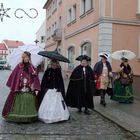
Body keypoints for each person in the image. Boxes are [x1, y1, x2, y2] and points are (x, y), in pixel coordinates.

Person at [2, 51, 41, 123]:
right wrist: (19, 82)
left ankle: (29, 116)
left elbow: (34, 77)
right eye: (26, 57)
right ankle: (18, 116)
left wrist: (35, 74)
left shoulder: (31, 66)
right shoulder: (19, 66)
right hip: (19, 88)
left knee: (29, 101)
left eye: (28, 57)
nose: (27, 59)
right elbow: (15, 75)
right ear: (23, 57)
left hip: (28, 88)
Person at [37, 59, 69, 123]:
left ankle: (58, 116)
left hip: (56, 90)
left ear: (57, 65)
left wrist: (60, 88)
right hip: (49, 90)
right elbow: (44, 81)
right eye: (52, 65)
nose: (54, 66)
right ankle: (47, 115)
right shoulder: (48, 71)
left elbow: (60, 82)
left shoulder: (58, 71)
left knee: (57, 103)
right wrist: (47, 82)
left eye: (55, 65)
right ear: (50, 65)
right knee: (48, 103)